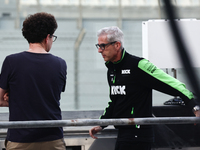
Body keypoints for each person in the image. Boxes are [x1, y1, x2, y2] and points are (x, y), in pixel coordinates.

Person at [89, 26, 200, 150]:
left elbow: (173, 84)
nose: (99, 50)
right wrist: (102, 124)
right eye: (98, 46)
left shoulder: (138, 65)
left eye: (103, 46)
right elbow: (115, 102)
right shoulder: (112, 70)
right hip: (123, 134)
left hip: (139, 135)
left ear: (117, 45)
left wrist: (194, 106)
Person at [0, 12, 67, 150]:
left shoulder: (11, 61)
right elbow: (49, 97)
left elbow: (0, 99)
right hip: (52, 138)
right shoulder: (60, 64)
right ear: (47, 37)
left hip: (20, 139)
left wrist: (15, 99)